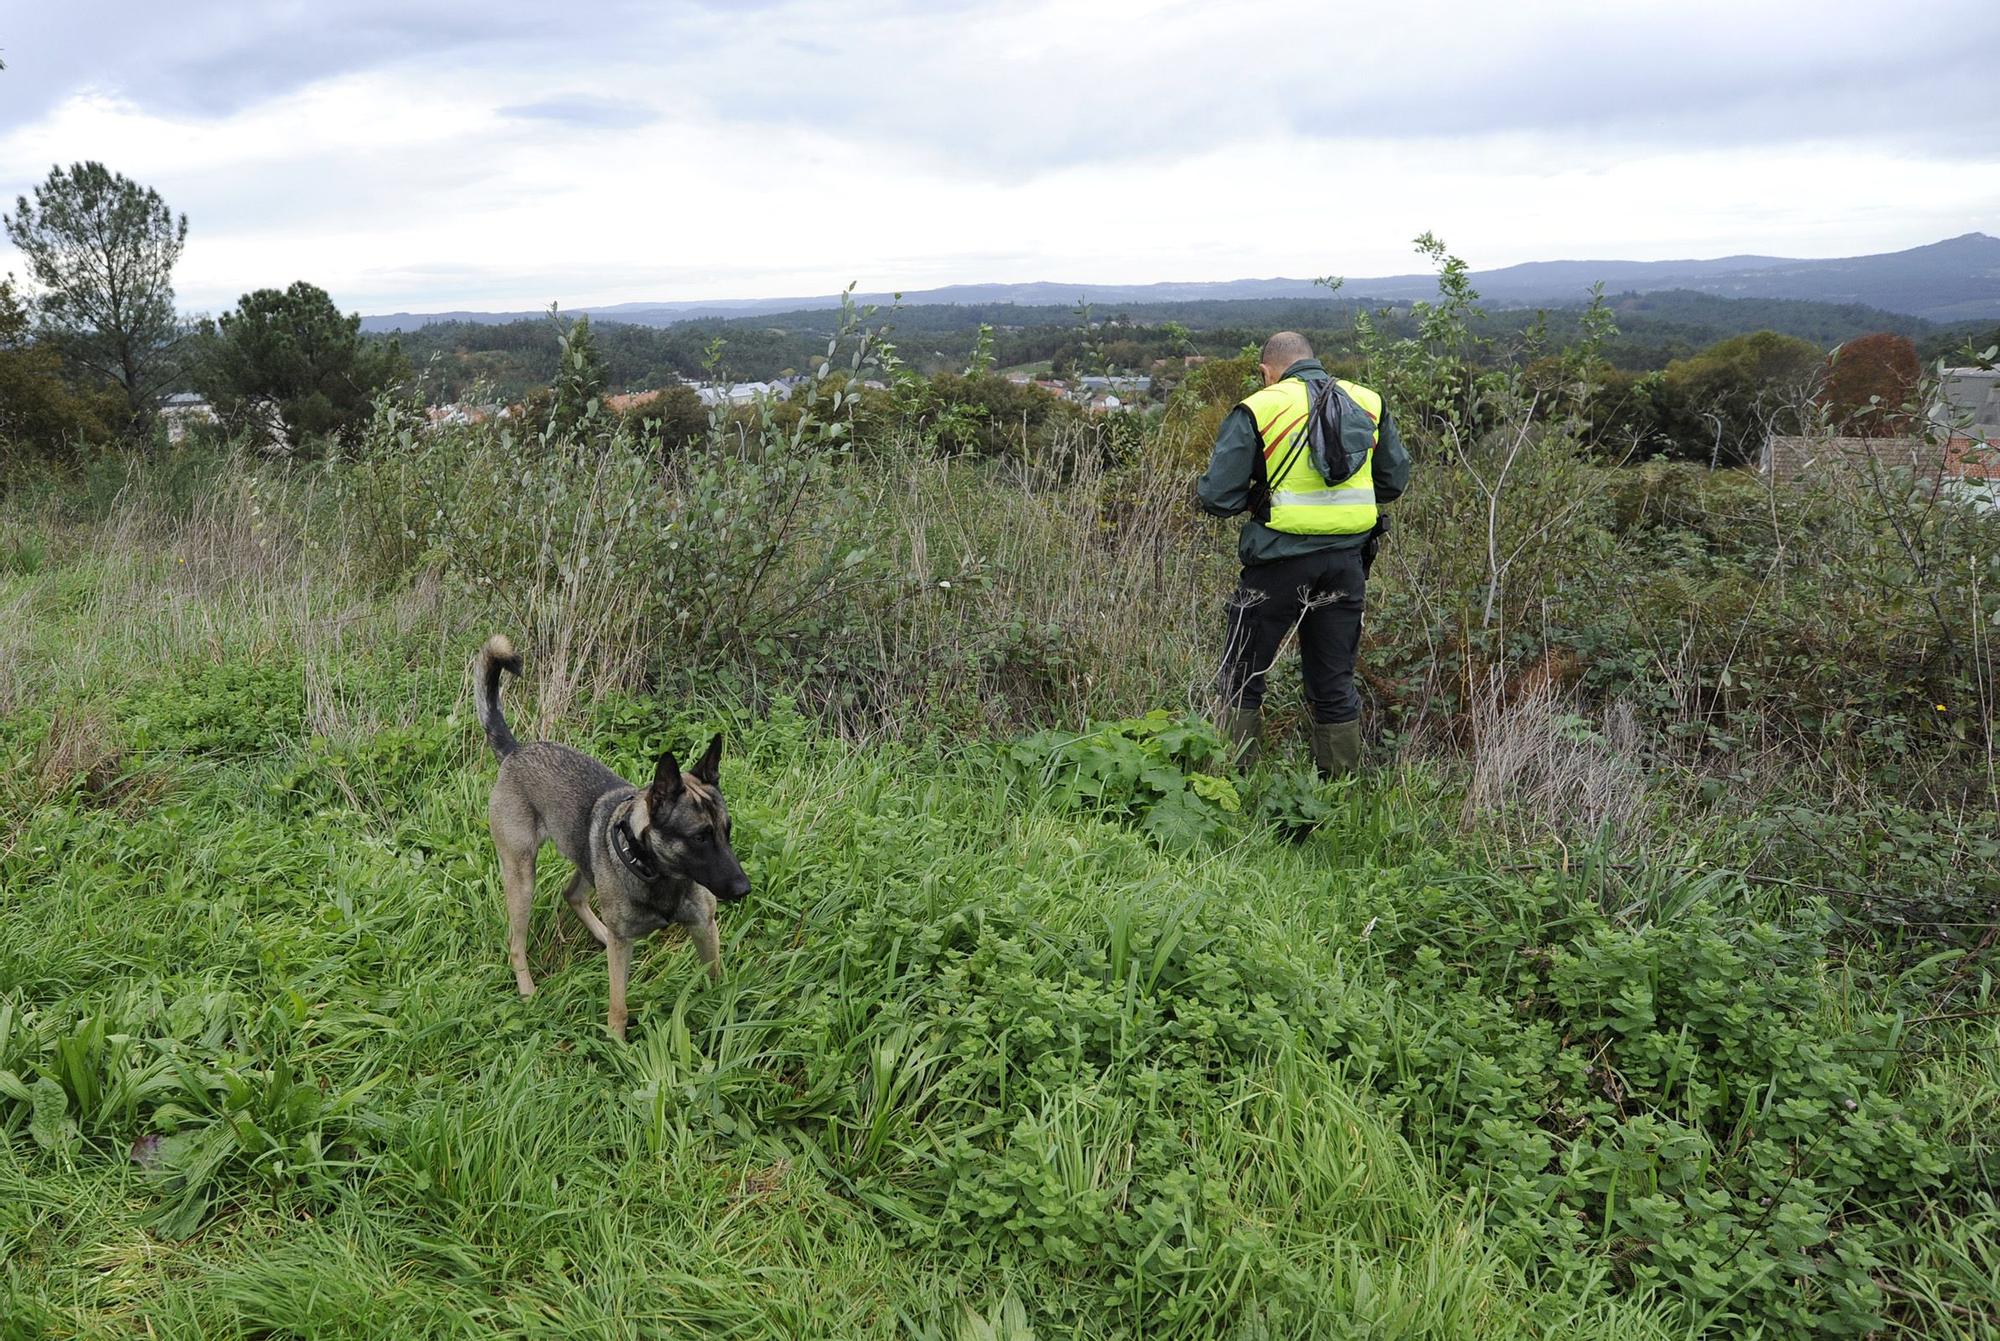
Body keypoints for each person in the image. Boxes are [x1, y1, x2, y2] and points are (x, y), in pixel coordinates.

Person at [1196, 331, 1410, 776]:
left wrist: (1259, 493)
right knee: (1333, 681)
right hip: (1348, 565)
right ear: (1314, 359)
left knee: (1243, 676)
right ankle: (1337, 793)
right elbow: (1391, 482)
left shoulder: (1260, 406)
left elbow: (1218, 498)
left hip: (1277, 563)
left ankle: (1230, 784)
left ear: (1266, 371)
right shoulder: (1369, 401)